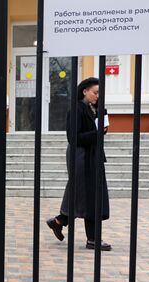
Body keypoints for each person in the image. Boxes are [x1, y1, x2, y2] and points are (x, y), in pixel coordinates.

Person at [46, 77, 111, 251]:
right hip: (80, 156)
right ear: (85, 91)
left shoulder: (95, 109)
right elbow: (73, 137)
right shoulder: (76, 109)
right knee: (87, 193)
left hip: (93, 155)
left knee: (88, 194)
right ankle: (92, 239)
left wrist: (101, 115)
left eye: (100, 93)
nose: (98, 96)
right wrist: (96, 132)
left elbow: (99, 130)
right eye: (95, 93)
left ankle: (60, 221)